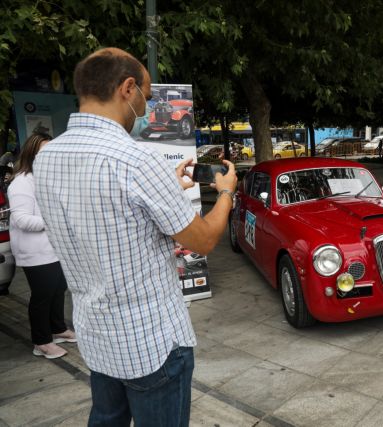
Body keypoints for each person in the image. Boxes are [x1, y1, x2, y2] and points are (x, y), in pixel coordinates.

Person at [33, 48, 237, 426]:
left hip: (98, 335)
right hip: (151, 343)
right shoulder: (135, 160)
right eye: (145, 94)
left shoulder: (48, 156)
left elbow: (104, 211)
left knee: (106, 418)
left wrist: (165, 188)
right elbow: (204, 240)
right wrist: (225, 192)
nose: (145, 109)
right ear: (127, 88)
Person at [8, 132, 76, 359]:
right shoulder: (21, 183)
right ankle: (41, 341)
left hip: (54, 249)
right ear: (31, 154)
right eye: (43, 152)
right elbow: (22, 220)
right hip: (35, 252)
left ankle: (58, 329)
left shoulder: (46, 180)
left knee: (58, 290)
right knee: (42, 296)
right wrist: (56, 221)